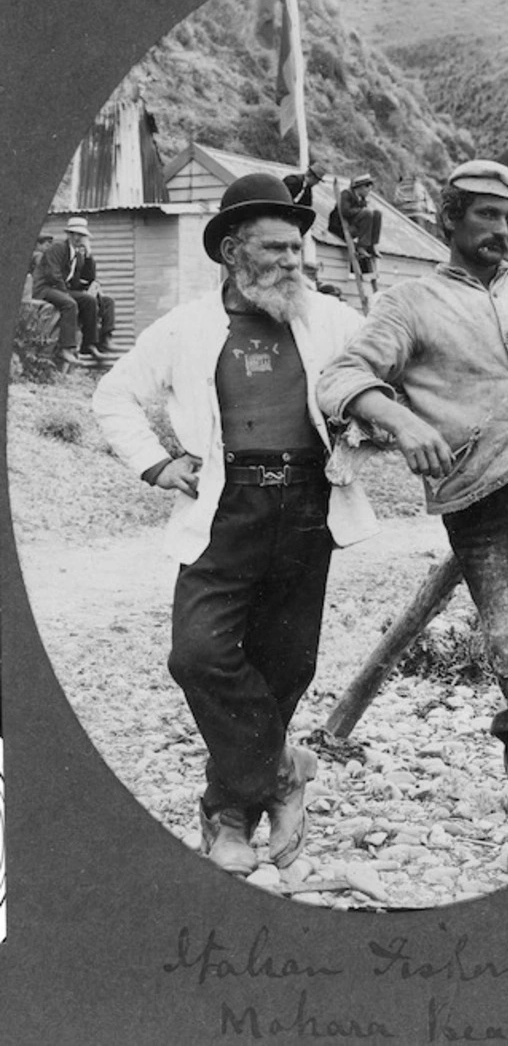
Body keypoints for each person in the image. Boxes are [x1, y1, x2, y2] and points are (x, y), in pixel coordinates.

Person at [318, 159, 508, 881]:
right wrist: (397, 418)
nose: (500, 231)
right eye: (485, 215)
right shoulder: (410, 301)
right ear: (449, 219)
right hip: (487, 496)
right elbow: (341, 378)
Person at [92, 173, 376, 877]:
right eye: (276, 249)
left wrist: (366, 425)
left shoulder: (333, 321)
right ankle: (284, 770)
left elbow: (385, 382)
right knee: (198, 654)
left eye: (298, 248)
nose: (294, 262)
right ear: (231, 253)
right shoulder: (186, 327)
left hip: (309, 504)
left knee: (287, 663)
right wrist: (158, 466)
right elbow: (114, 395)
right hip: (226, 507)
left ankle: (228, 814)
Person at [31, 216, 108, 365]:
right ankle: (65, 349)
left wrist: (89, 254)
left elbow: (87, 278)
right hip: (44, 288)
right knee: (69, 304)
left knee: (89, 300)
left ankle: (89, 344)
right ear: (69, 234)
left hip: (59, 289)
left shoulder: (78, 255)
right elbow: (53, 275)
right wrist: (66, 293)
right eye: (76, 234)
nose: (79, 238)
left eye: (82, 235)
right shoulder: (58, 248)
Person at [69, 242, 118, 354]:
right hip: (72, 294)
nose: (81, 251)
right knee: (90, 301)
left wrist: (88, 257)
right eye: (79, 248)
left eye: (84, 249)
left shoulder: (83, 260)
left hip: (83, 293)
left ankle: (106, 338)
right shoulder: (69, 260)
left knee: (108, 301)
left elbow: (89, 276)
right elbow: (71, 281)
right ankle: (90, 344)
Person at [328, 173, 383, 267]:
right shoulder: (346, 194)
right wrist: (361, 209)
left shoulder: (361, 199)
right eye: (367, 187)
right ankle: (361, 247)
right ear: (360, 187)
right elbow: (345, 211)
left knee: (377, 214)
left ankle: (371, 246)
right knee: (367, 213)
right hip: (341, 228)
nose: (369, 190)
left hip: (353, 227)